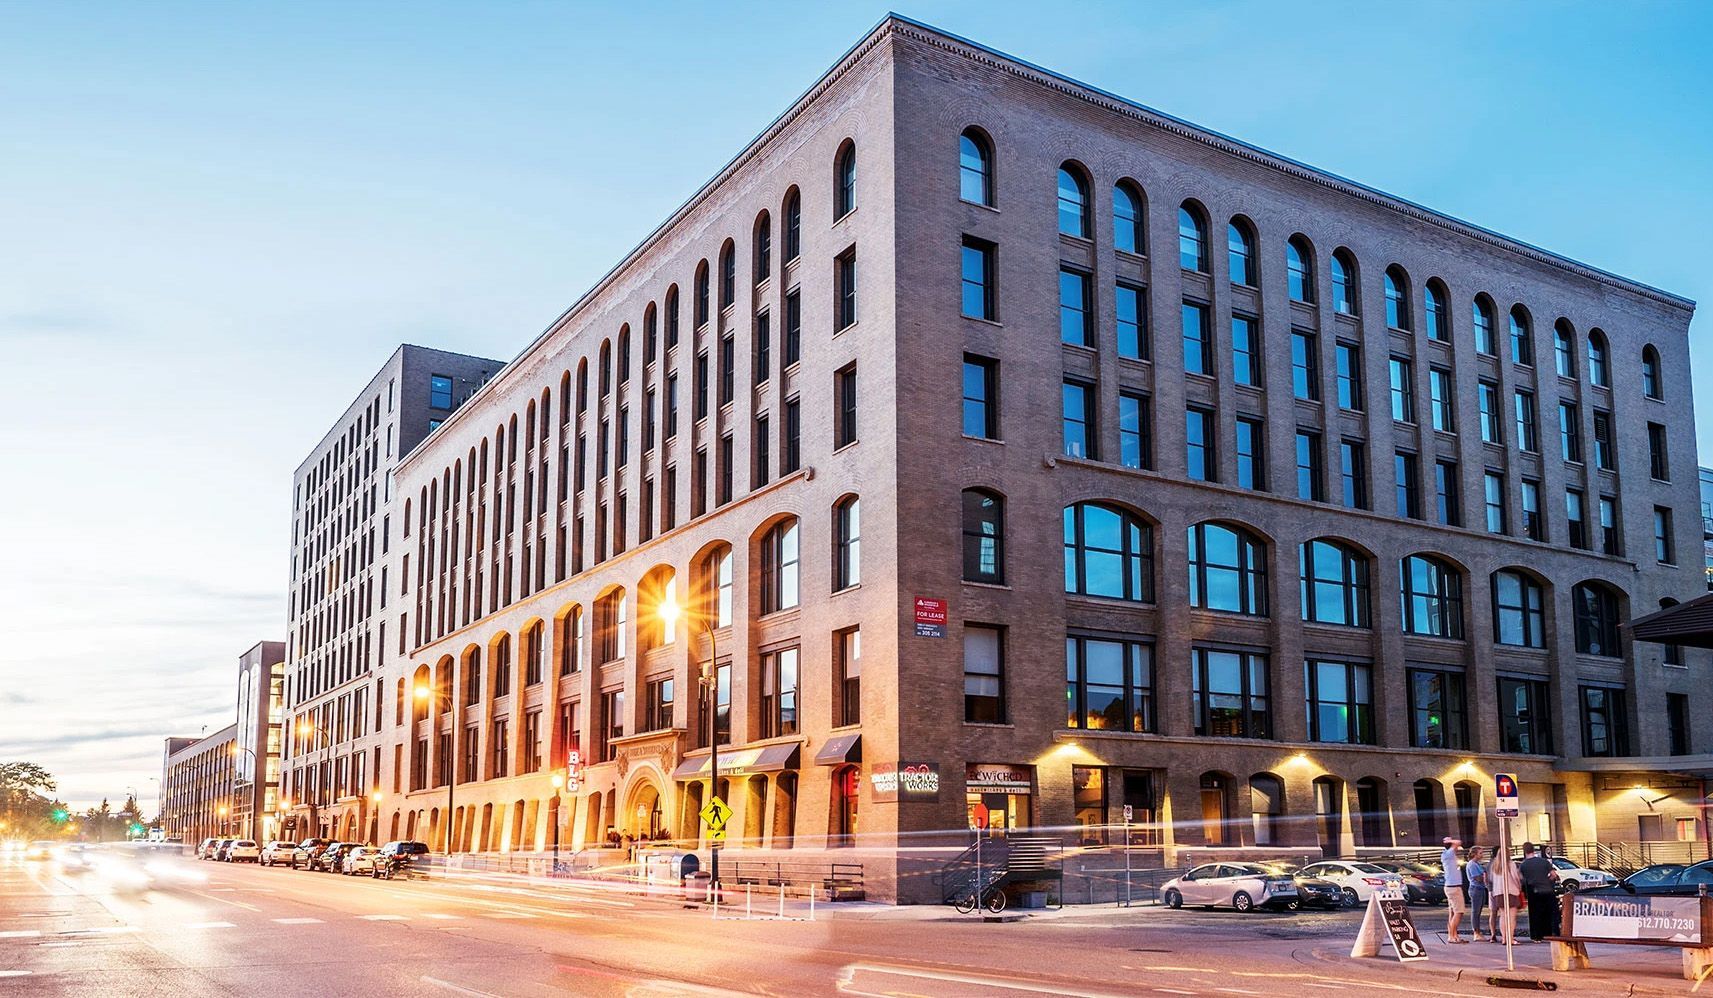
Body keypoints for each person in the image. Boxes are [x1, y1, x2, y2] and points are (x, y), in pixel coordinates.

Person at [1518, 842, 1561, 941]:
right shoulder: (1544, 861)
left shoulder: (1523, 865)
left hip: (1533, 892)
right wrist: (1547, 881)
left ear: (1524, 851)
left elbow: (1521, 878)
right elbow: (1553, 875)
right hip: (1548, 890)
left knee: (1535, 915)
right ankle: (1551, 934)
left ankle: (1537, 936)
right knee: (1550, 913)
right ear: (1533, 850)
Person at [1486, 847, 1522, 945]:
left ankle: (1504, 938)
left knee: (1503, 916)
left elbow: (1491, 879)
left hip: (1498, 893)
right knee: (1511, 917)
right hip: (1510, 891)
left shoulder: (1495, 865)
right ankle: (1510, 938)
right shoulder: (1510, 864)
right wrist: (1519, 887)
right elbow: (1515, 878)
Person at [1441, 836, 1467, 942]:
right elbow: (1458, 842)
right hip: (1454, 887)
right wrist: (1451, 842)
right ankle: (1452, 936)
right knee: (1459, 912)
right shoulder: (1449, 853)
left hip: (1450, 886)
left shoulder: (1447, 855)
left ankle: (1454, 935)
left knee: (1452, 913)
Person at [1465, 846, 1490, 941]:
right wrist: (1484, 875)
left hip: (1480, 888)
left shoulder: (1477, 864)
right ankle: (1476, 932)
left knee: (1478, 911)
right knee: (1475, 911)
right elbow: (1477, 878)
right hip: (1476, 889)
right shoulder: (1472, 865)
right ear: (1474, 854)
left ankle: (1478, 931)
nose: (1482, 855)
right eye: (1480, 853)